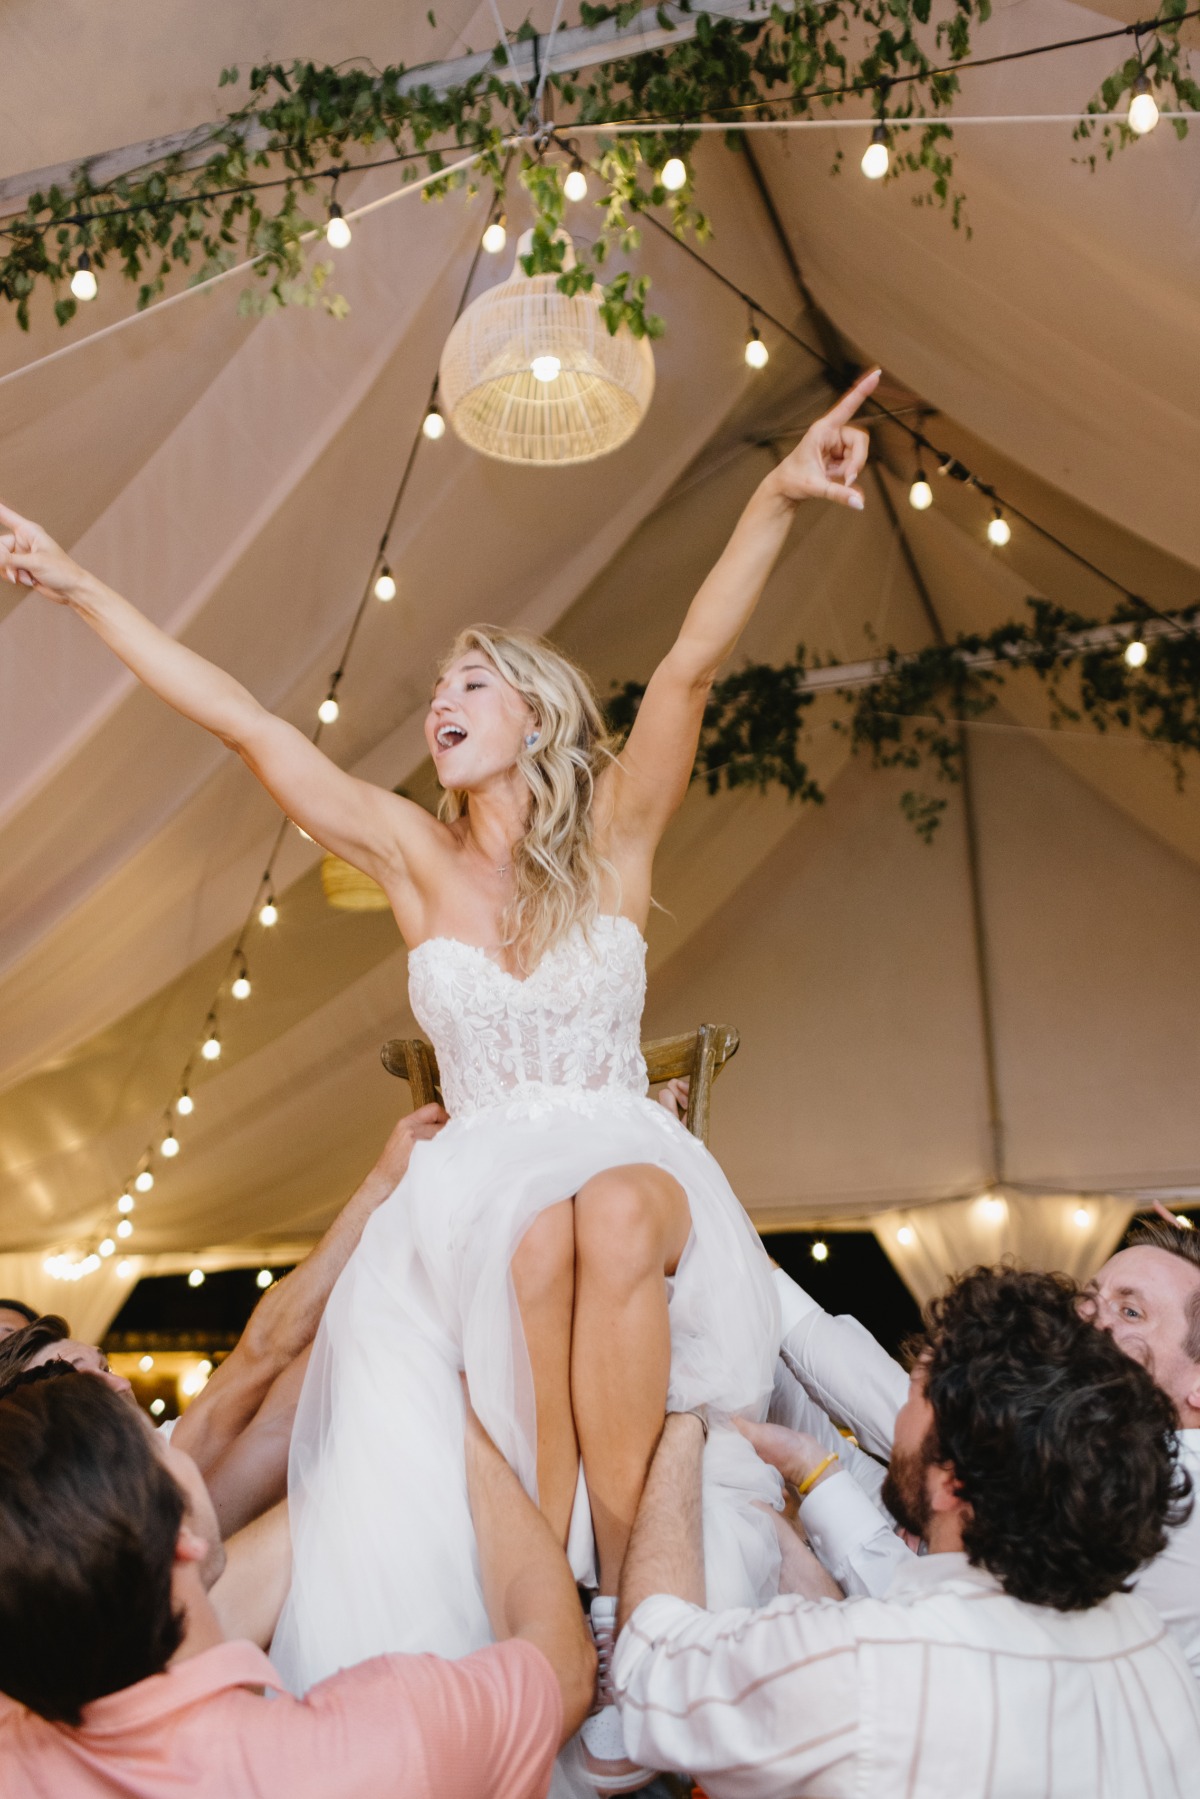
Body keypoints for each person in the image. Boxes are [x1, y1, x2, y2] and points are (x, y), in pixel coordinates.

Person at [0, 372, 881, 1785]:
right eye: (434, 688)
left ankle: (619, 1595)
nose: (438, 701)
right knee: (537, 1233)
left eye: (468, 681)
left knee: (595, 1214)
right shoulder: (411, 859)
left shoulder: (619, 845)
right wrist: (81, 585)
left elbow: (695, 669)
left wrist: (777, 496)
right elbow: (244, 724)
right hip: (477, 1202)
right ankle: (557, 1618)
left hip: (624, 1167)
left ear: (532, 713)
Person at [613, 1266, 1200, 1797]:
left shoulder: (873, 1668)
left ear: (953, 1485)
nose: (892, 1427)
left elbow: (649, 1668)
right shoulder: (1141, 1640)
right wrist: (808, 1474)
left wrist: (687, 1419)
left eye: (911, 1401)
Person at [0, 1367, 593, 1799]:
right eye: (159, 1442)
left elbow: (185, 1597)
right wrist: (472, 1441)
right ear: (181, 1530)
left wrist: (381, 1435)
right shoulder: (377, 1745)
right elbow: (562, 1666)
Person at [772, 1215, 1200, 1672]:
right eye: (1088, 1301)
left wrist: (750, 1267)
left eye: (1130, 1312)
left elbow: (950, 1621)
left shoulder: (1167, 1491)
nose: (1087, 1323)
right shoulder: (1108, 1452)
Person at [0, 1103, 447, 1538]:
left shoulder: (164, 1462)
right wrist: (382, 1187)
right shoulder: (84, 1545)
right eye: (81, 1380)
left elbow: (280, 1411)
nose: (120, 1385)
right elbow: (264, 1354)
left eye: (105, 1367)